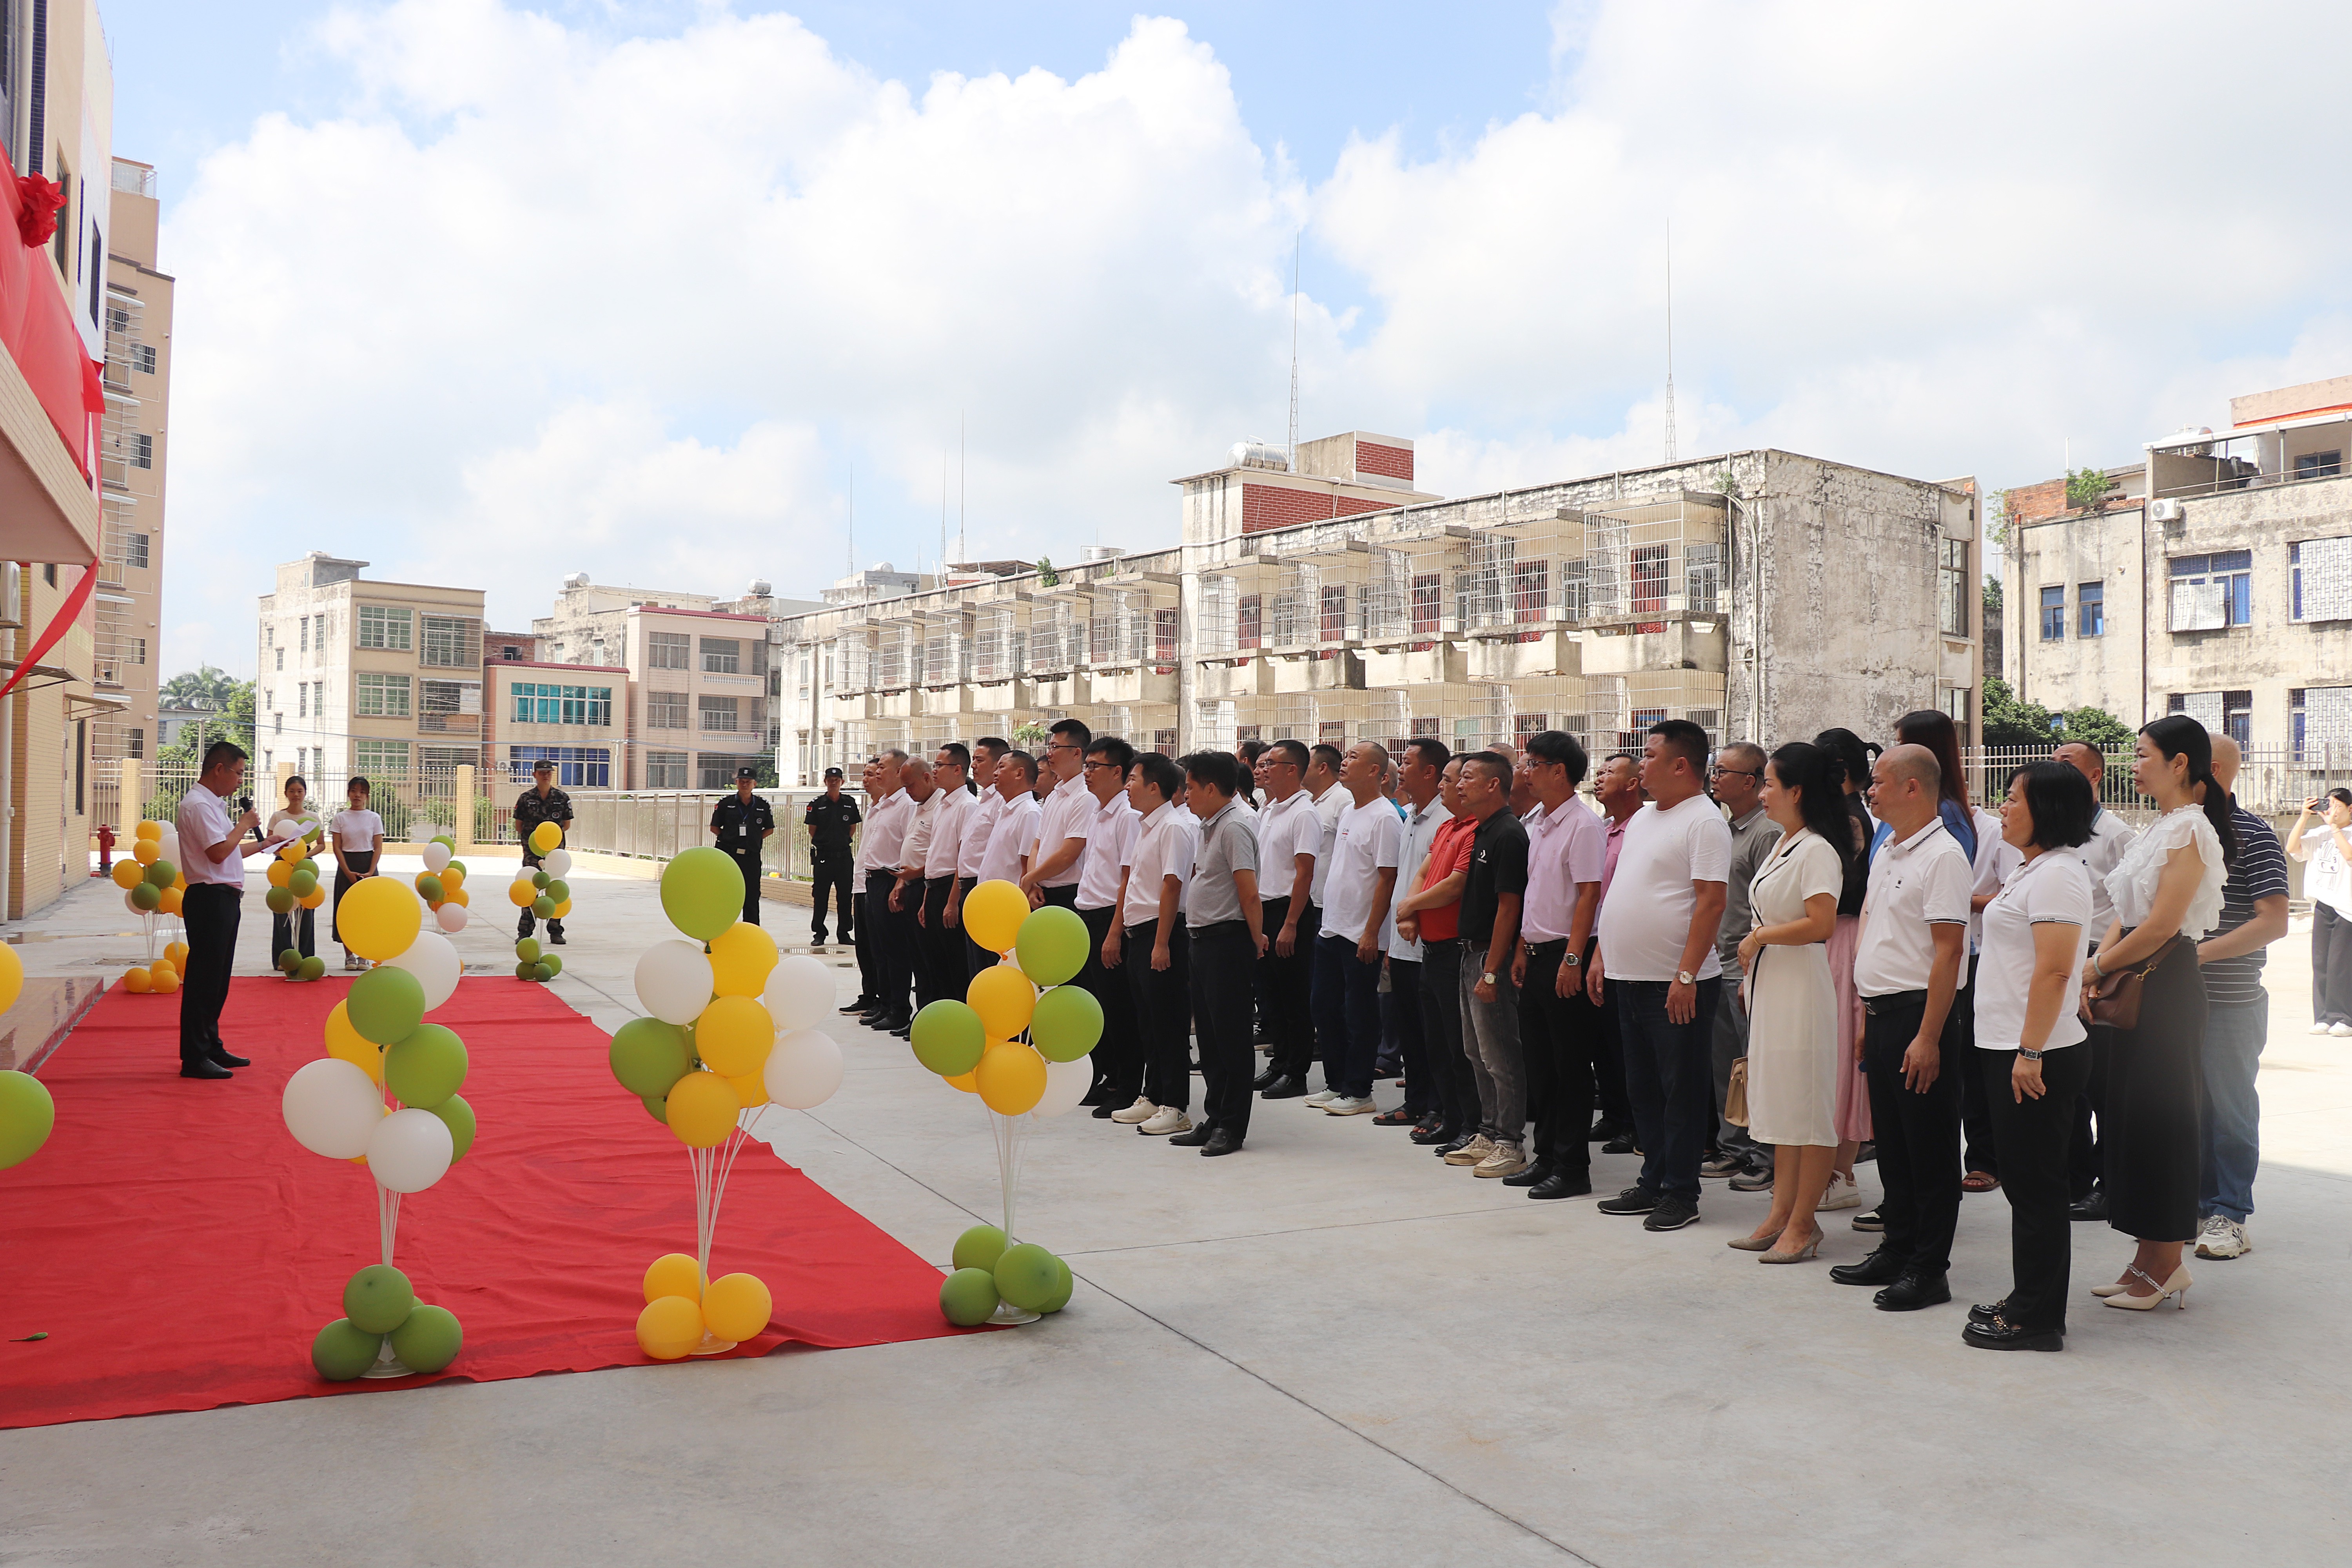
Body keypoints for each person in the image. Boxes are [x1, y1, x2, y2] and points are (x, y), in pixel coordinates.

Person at [2083, 715, 2232, 1311]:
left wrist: (2097, 970)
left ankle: (2168, 1264)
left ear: (2179, 764)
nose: (2133, 763)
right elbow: (2123, 910)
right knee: (2130, 1120)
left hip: (2166, 985)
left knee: (2164, 1124)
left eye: (2143, 754)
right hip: (2136, 976)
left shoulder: (2191, 831)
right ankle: (2145, 1259)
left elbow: (2165, 925)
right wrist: (2102, 962)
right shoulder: (2160, 826)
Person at [1964, 760, 2098, 1351]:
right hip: (2010, 1048)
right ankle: (2029, 1299)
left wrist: (2030, 1050)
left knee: (2038, 1188)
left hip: (2035, 1054)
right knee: (2025, 1185)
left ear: (2046, 809)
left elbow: (2055, 969)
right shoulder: (2032, 870)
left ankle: (2037, 1319)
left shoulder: (2060, 876)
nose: (2004, 808)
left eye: (2014, 799)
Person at [1830, 743, 1970, 1310]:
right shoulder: (1889, 849)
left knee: (1930, 1151)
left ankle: (1929, 1268)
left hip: (1921, 1016)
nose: (1871, 789)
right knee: (1892, 1145)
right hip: (1885, 1013)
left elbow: (1948, 952)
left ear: (1914, 787)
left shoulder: (1944, 856)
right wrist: (1867, 1013)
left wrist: (1930, 1036)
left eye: (1881, 781)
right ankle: (1898, 1247)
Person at [1592, 721, 1732, 1232]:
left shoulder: (1704, 820)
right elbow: (1625, 892)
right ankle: (1652, 1179)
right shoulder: (1647, 817)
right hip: (1630, 977)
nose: (1640, 765)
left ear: (1680, 765)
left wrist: (1688, 974)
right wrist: (1604, 954)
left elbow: (1712, 901)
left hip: (1676, 983)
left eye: (1650, 756)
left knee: (1681, 1090)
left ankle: (1681, 1191)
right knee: (1643, 1090)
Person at [1728, 742, 1851, 1262]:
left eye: (1771, 784)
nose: (1763, 793)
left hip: (1801, 987)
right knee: (1780, 1102)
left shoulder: (1819, 848)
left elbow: (1821, 924)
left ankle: (1804, 1223)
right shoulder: (1785, 843)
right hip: (1773, 984)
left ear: (1797, 791)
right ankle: (1780, 1214)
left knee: (1808, 1107)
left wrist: (1760, 939)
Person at [1891, 708, 2014, 1196]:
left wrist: (1958, 901)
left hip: (1961, 954)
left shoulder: (1952, 824)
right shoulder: (1910, 824)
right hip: (1929, 955)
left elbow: (1986, 895)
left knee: (1964, 1060)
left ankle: (1981, 1156)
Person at [2192, 735, 2289, 1261]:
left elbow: (2273, 922)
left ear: (2209, 769)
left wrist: (2197, 956)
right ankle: (2197, 1206)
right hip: (2175, 1002)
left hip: (2229, 1002)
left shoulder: (2253, 833)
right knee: (2188, 1112)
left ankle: (2229, 1212)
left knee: (2229, 1111)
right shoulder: (2175, 832)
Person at [1511, 731, 1606, 1199]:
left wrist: (1572, 958)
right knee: (1541, 1064)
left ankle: (1572, 1167)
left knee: (1570, 1066)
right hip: (1535, 954)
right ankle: (1545, 1155)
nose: (1527, 771)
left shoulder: (1583, 825)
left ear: (1559, 772)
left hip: (1566, 957)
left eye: (1534, 763)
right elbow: (1535, 895)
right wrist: (1520, 949)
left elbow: (1590, 894)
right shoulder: (1540, 823)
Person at [2053, 739, 2136, 1221]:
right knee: (2069, 1081)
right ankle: (2074, 1178)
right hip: (2059, 962)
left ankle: (2108, 1183)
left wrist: (2098, 970)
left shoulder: (2117, 835)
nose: (2056, 771)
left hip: (2097, 963)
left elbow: (2127, 911)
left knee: (2101, 1084)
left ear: (2095, 777)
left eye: (2068, 765)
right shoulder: (2056, 831)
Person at [1172, 751, 1265, 1157]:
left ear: (1212, 788)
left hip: (1228, 942)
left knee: (1230, 1038)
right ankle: (1215, 1115)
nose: (1186, 794)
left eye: (1190, 787)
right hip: (1203, 941)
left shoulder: (1235, 827)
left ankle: (1232, 1125)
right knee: (1208, 1039)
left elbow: (1249, 891)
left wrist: (1256, 941)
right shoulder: (1208, 825)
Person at [1105, 751, 1200, 1134]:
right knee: (1148, 1022)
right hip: (1139, 933)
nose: (1127, 786)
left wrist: (1162, 943)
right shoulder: (1147, 827)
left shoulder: (1174, 827)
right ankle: (1154, 1095)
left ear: (1155, 787)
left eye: (1132, 779)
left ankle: (1176, 1105)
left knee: (1169, 1024)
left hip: (1162, 934)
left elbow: (1173, 885)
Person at [1309, 742, 1404, 1118]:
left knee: (1360, 1013)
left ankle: (1359, 1089)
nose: (1344, 763)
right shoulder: (1350, 810)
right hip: (1331, 927)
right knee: (1323, 1007)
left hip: (1360, 934)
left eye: (1353, 759)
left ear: (1376, 773)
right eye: (1344, 756)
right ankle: (1336, 1084)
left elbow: (1387, 879)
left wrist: (1371, 933)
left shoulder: (1385, 817)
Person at [1703, 742, 1782, 1189]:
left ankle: (1764, 1154)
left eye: (1722, 771)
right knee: (1726, 1064)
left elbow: (1768, 908)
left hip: (1747, 965)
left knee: (1755, 1063)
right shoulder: (1727, 829)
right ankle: (1733, 1146)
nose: (1715, 778)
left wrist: (1753, 967)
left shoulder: (1766, 833)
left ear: (1750, 780)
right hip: (1720, 961)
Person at [1394, 756, 1482, 1155]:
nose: (1450, 787)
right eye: (1448, 779)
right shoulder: (1448, 826)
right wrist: (1411, 907)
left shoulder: (1475, 830)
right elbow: (1425, 872)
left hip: (1455, 952)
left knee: (1460, 1046)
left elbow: (1453, 887)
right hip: (1431, 951)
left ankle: (1470, 1123)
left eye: (1456, 779)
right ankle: (1449, 1116)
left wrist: (1409, 907)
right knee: (1437, 1042)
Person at [1452, 750, 1531, 1178]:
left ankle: (1510, 1140)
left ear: (1494, 785)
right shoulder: (1481, 831)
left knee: (1501, 1053)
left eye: (1469, 777)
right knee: (1475, 1051)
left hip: (1489, 953)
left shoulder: (1508, 834)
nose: (1460, 784)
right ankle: (1486, 1129)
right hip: (1469, 951)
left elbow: (1509, 906)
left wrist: (1492, 969)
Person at [1813, 728, 1880, 1214]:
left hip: (1840, 939)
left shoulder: (1849, 821)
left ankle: (1841, 1172)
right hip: (1832, 939)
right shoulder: (1842, 817)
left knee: (1839, 1057)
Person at [174, 740, 267, 1079]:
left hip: (224, 897)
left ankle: (211, 1045)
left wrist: (264, 844)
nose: (241, 781)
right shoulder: (198, 805)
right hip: (209, 899)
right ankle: (195, 1057)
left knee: (218, 980)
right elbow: (215, 854)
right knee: (204, 980)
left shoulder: (213, 805)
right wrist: (244, 825)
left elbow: (228, 852)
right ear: (219, 769)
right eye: (239, 773)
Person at [1377, 738, 1452, 1134]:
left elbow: (1436, 882)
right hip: (1402, 943)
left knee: (1432, 1034)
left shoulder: (1444, 819)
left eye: (1406, 763)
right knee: (1409, 1028)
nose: (1399, 770)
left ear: (1430, 772)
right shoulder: (1411, 815)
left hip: (1428, 944)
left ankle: (1438, 1108)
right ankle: (1416, 1101)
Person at [1071, 737, 1142, 1114]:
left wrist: (1115, 931)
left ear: (1118, 772)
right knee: (1098, 1007)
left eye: (1094, 767)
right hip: (1089, 917)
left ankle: (1127, 1085)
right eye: (1085, 766)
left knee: (1120, 1009)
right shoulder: (1099, 813)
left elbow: (1127, 879)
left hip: (1110, 921)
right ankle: (1108, 1075)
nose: (1087, 773)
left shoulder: (1128, 816)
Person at [1252, 740, 1322, 1100]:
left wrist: (1291, 923)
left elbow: (1304, 872)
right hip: (1264, 909)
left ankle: (1296, 1072)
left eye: (1272, 764)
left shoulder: (1303, 812)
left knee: (1294, 995)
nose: (1264, 769)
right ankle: (1279, 1062)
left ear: (1292, 769)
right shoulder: (1269, 810)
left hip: (1288, 910)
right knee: (1271, 995)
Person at [1585, 752, 1644, 1151]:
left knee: (1625, 1040)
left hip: (1626, 944)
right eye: (1600, 771)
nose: (1600, 777)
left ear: (1633, 782)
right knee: (1601, 1037)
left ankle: (1634, 1123)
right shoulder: (1605, 829)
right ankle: (1615, 1112)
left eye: (1610, 772)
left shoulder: (1642, 828)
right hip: (1596, 940)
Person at [854, 752, 914, 1032]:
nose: (877, 772)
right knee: (878, 949)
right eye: (876, 768)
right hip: (872, 881)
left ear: (900, 771)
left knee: (895, 950)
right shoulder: (882, 806)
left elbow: (909, 848)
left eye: (883, 768)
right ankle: (886, 1003)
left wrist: (901, 885)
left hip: (891, 880)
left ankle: (900, 1008)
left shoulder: (906, 805)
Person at [973, 751, 1044, 982]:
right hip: (989, 907)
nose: (995, 773)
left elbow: (1027, 867)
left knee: (1007, 976)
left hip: (1007, 911)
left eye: (1002, 767)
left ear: (1019, 773)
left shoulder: (1029, 812)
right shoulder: (1005, 809)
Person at [2287, 788, 2352, 1036]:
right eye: (2329, 804)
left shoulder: (2340, 832)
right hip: (2323, 904)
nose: (2331, 810)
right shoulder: (2319, 833)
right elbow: (2293, 848)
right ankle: (2324, 1016)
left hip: (2346, 906)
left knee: (2341, 966)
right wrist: (2304, 816)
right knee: (2321, 964)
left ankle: (2344, 1018)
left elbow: (2349, 856)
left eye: (2338, 806)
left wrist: (2335, 828)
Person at [918, 744, 977, 1007]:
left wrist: (953, 902)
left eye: (939, 765)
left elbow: (961, 860)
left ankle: (959, 1025)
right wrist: (925, 900)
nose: (934, 771)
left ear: (957, 769)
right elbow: (935, 856)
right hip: (933, 889)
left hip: (950, 890)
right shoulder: (943, 804)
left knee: (955, 966)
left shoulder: (967, 806)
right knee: (935, 965)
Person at [884, 757, 940, 1029]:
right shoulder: (920, 807)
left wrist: (915, 877)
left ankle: (930, 1016)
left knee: (930, 960)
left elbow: (943, 856)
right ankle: (921, 1015)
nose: (908, 791)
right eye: (904, 786)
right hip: (911, 884)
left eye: (911, 785)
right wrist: (901, 884)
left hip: (929, 886)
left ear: (928, 778)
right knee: (916, 956)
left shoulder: (941, 807)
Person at [1021, 719, 1094, 911]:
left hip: (1068, 893)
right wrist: (1035, 882)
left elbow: (1068, 854)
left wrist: (1030, 878)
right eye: (1050, 746)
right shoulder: (1055, 795)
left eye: (1055, 746)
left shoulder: (1086, 796)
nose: (1049, 753)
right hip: (1042, 889)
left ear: (1077, 753)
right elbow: (1037, 844)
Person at [328, 777, 387, 971]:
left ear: (367, 797)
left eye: (362, 792)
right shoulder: (340, 818)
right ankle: (349, 956)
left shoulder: (374, 818)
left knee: (367, 913)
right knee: (347, 913)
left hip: (368, 867)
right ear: (348, 794)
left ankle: (364, 956)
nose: (357, 795)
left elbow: (378, 848)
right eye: (354, 791)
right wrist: (347, 872)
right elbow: (337, 847)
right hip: (347, 866)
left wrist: (370, 872)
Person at [514, 759, 574, 945]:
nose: (546, 775)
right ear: (535, 775)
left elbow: (566, 825)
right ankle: (525, 931)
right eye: (541, 772)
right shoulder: (525, 799)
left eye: (549, 772)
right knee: (529, 889)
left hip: (555, 854)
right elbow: (519, 826)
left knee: (555, 889)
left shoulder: (562, 798)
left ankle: (556, 931)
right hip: (532, 853)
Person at [804, 766, 861, 950]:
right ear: (825, 781)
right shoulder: (817, 803)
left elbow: (852, 827)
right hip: (824, 857)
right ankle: (819, 933)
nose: (834, 782)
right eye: (830, 779)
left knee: (845, 897)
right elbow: (812, 830)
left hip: (844, 857)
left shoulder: (849, 803)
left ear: (842, 782)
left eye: (837, 780)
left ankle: (844, 933)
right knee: (820, 896)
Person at [709, 768, 775, 927]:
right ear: (737, 783)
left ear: (754, 784)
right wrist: (728, 840)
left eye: (748, 782)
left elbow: (770, 829)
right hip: (729, 856)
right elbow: (715, 827)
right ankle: (722, 928)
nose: (745, 784)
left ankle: (751, 931)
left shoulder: (762, 805)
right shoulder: (726, 804)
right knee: (726, 894)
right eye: (742, 781)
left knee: (752, 895)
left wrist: (755, 839)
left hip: (751, 856)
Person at [267, 776, 321, 964]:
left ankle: (305, 957)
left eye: (300, 791)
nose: (296, 795)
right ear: (286, 794)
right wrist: (285, 854)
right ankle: (283, 959)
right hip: (281, 866)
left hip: (305, 865)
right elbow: (269, 844)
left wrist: (304, 857)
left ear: (305, 793)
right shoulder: (278, 817)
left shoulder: (313, 818)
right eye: (292, 791)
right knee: (282, 909)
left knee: (306, 910)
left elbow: (321, 844)